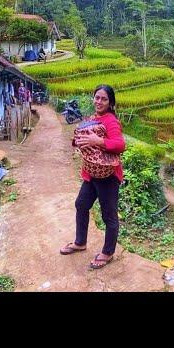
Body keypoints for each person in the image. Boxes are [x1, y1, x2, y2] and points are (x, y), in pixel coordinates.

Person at [60, 85, 126, 269]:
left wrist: (99, 141)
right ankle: (80, 242)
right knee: (81, 204)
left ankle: (108, 252)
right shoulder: (92, 118)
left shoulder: (111, 121)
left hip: (108, 176)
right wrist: (78, 141)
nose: (99, 102)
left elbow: (120, 145)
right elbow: (82, 138)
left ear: (110, 102)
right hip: (91, 173)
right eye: (97, 97)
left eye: (104, 99)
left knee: (109, 215)